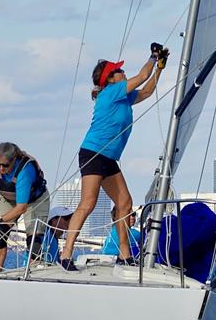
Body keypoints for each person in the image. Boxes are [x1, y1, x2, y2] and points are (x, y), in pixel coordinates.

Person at [59, 43, 168, 271]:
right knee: (88, 203)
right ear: (110, 79)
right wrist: (152, 57)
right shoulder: (111, 92)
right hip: (94, 153)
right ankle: (66, 253)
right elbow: (142, 77)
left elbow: (146, 91)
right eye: (119, 71)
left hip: (108, 158)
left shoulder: (123, 96)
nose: (124, 72)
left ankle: (124, 255)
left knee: (124, 202)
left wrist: (159, 68)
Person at [0, 142, 50, 273]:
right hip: (7, 197)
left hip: (34, 200)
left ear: (14, 160)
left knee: (34, 241)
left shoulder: (25, 171)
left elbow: (21, 208)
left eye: (5, 165)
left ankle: (34, 272)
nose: (1, 168)